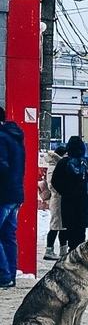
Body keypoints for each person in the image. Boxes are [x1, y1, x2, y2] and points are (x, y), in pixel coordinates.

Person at [50, 136, 88, 253]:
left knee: (70, 229)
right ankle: (79, 252)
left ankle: (72, 251)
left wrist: (65, 192)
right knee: (80, 230)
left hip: (68, 202)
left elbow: (54, 181)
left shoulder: (63, 163)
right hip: (84, 202)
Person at [0, 109, 26, 288]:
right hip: (15, 194)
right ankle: (10, 275)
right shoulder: (16, 138)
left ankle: (3, 275)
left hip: (3, 194)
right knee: (8, 235)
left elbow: (1, 166)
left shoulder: (1, 137)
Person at [41, 146, 67, 260]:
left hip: (61, 199)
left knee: (62, 227)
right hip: (57, 200)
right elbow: (53, 185)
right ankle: (49, 250)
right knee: (55, 226)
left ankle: (63, 251)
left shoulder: (57, 165)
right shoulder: (54, 166)